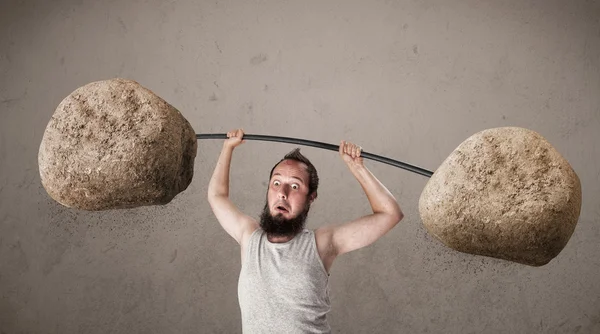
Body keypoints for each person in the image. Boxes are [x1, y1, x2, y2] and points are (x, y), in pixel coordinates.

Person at [207, 129, 404, 333]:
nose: (282, 194)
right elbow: (217, 195)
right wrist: (227, 147)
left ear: (311, 197)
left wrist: (357, 167)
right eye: (276, 183)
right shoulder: (250, 238)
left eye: (294, 186)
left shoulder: (321, 243)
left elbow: (390, 214)